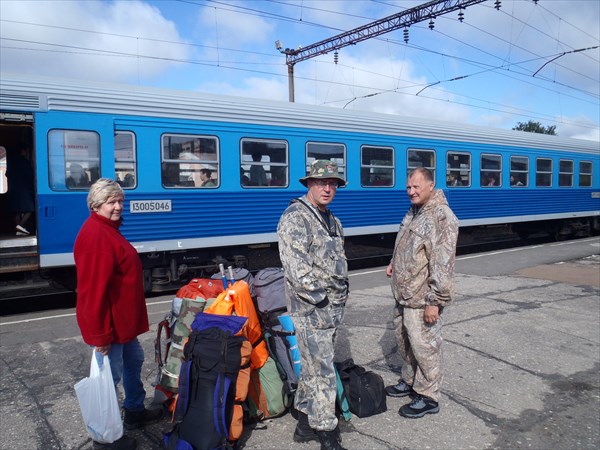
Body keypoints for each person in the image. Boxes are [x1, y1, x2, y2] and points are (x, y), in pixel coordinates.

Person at [73, 178, 163, 450]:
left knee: (134, 360)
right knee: (107, 381)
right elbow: (92, 292)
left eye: (120, 201)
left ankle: (134, 410)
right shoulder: (96, 237)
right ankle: (106, 438)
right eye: (111, 202)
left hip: (123, 325)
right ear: (96, 205)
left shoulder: (108, 229)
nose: (118, 207)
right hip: (109, 328)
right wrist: (99, 335)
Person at [277, 160, 349, 450]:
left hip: (331, 308)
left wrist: (339, 297)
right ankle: (326, 431)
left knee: (313, 366)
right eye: (321, 182)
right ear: (309, 184)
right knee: (321, 371)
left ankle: (305, 421)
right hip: (312, 308)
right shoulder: (296, 217)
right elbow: (295, 267)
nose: (328, 188)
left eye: (332, 183)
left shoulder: (330, 218)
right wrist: (321, 298)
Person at [385, 167, 459, 419]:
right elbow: (407, 243)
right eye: (408, 187)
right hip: (403, 294)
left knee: (425, 346)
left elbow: (443, 263)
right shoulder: (415, 212)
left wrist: (435, 302)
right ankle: (409, 381)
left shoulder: (441, 216)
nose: (411, 191)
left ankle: (428, 396)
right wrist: (394, 261)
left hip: (421, 298)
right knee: (405, 342)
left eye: (416, 186)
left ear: (431, 186)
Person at [6, 145, 35, 236]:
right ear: (22, 151)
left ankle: (18, 231)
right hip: (24, 189)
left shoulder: (11, 162)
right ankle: (20, 226)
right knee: (30, 208)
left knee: (18, 210)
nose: (26, 152)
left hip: (13, 189)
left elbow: (7, 174)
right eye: (26, 151)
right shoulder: (24, 162)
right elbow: (30, 175)